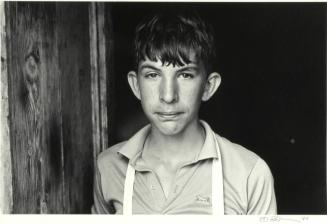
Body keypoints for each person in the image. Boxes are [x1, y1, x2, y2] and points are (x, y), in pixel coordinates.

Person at [92, 10, 277, 215]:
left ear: (208, 86)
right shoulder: (108, 167)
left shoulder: (250, 173)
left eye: (185, 75)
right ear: (136, 85)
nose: (168, 96)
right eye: (153, 74)